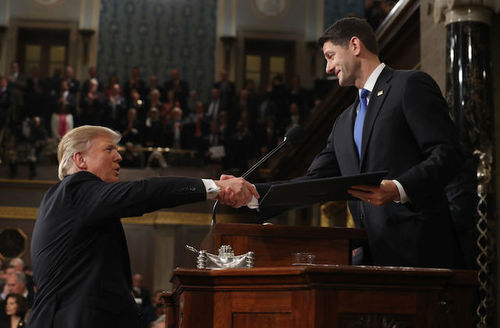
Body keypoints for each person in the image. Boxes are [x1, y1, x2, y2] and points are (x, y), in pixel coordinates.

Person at [239, 17, 466, 269]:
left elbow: (449, 153)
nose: (327, 68)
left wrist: (399, 188)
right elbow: (314, 182)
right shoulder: (343, 122)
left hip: (422, 254)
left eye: (330, 55)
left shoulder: (409, 85)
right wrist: (251, 194)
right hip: (369, 260)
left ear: (355, 45)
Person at [28, 125, 258, 328]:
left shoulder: (67, 199)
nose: (119, 157)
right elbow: (143, 193)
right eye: (109, 149)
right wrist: (214, 187)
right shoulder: (75, 190)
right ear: (80, 159)